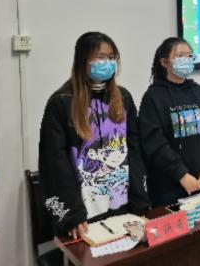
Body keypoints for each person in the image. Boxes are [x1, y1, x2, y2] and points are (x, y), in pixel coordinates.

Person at [38, 31, 149, 240]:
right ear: (83, 60)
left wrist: (140, 200)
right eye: (100, 57)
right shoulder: (61, 102)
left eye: (111, 57)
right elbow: (55, 163)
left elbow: (134, 151)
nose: (107, 63)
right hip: (83, 215)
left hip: (123, 206)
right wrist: (71, 215)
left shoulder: (123, 97)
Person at [138, 37, 200, 207]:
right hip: (170, 188)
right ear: (164, 62)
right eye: (180, 56)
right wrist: (181, 174)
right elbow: (155, 144)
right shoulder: (153, 97)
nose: (186, 59)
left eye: (189, 55)